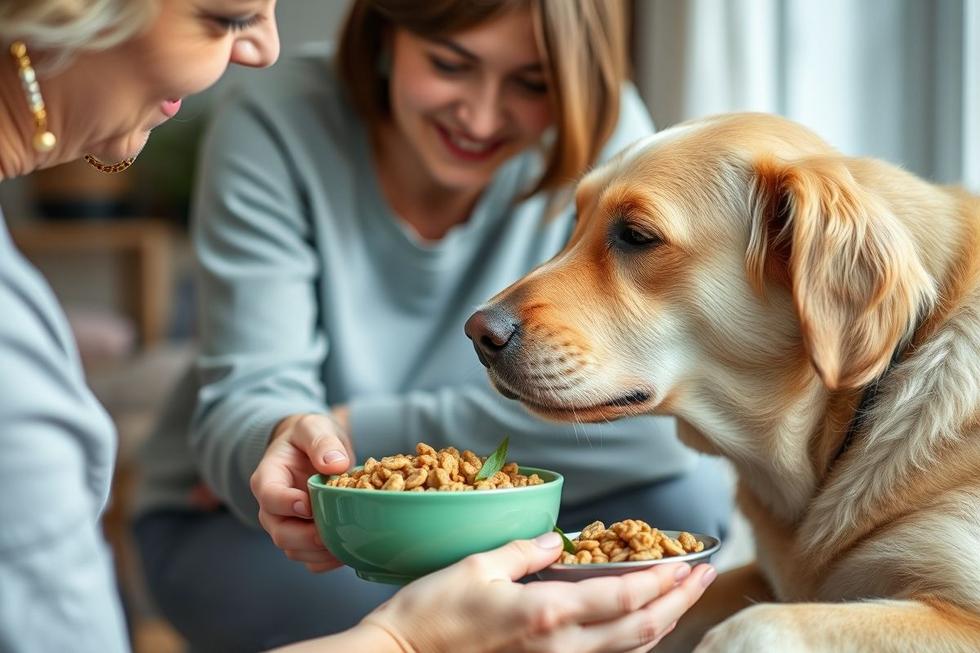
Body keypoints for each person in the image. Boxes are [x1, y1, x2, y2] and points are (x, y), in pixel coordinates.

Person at [0, 1, 716, 653]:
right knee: (418, 605)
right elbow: (250, 406)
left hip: (515, 503)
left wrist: (352, 423)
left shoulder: (604, 131)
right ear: (384, 32)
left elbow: (655, 413)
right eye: (449, 65)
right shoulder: (275, 120)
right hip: (276, 521)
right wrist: (292, 436)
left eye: (531, 84)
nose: (481, 115)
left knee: (692, 518)